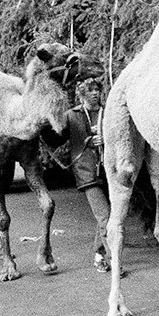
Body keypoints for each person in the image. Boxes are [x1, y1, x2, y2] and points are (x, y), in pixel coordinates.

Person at [61, 62, 114, 272]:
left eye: (97, 90)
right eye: (90, 91)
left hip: (109, 171)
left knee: (106, 215)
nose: (95, 94)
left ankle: (99, 254)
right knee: (105, 217)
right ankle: (113, 260)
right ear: (81, 95)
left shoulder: (108, 113)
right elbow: (57, 138)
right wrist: (87, 142)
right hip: (86, 172)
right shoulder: (72, 116)